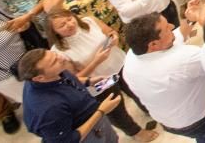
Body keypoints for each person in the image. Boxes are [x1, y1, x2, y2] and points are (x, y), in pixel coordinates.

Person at [43, 9, 158, 141]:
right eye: (62, 25)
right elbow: (76, 79)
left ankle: (150, 110)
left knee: (137, 90)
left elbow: (110, 32)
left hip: (119, 65)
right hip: (100, 81)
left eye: (69, 19)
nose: (69, 24)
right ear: (54, 32)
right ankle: (135, 132)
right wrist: (96, 61)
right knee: (116, 108)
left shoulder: (89, 22)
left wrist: (114, 37)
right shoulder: (59, 52)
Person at [122, 0, 205, 142]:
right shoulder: (183, 59)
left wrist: (187, 18)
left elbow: (179, 35)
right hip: (200, 119)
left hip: (170, 121)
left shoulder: (133, 55)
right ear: (153, 44)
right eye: (167, 28)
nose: (172, 26)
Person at [17, 48, 123, 143]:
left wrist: (88, 81)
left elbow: (63, 79)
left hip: (93, 118)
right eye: (54, 61)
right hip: (87, 136)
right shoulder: (49, 110)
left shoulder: (46, 75)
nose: (62, 58)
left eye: (55, 54)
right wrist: (101, 111)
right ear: (39, 78)